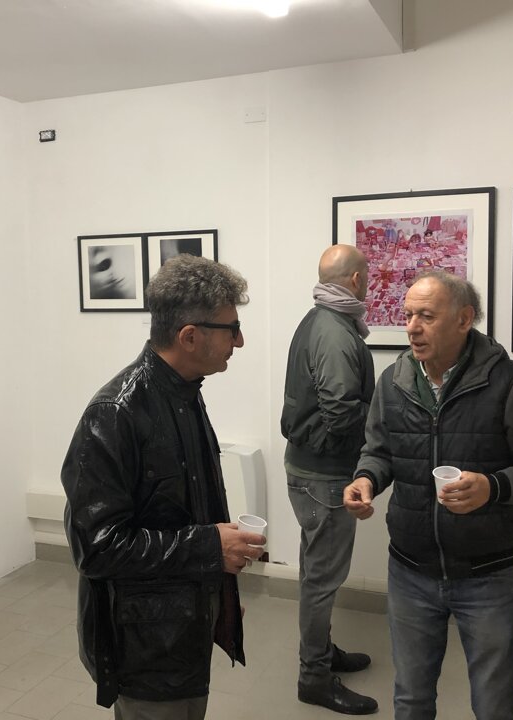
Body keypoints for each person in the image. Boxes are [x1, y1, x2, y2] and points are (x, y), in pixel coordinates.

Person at [343, 270, 513, 720]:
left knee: (494, 703)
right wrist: (366, 479)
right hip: (410, 570)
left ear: (464, 319)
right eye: (408, 315)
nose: (412, 327)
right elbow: (379, 451)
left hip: (489, 575)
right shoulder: (393, 381)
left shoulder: (510, 382)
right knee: (411, 699)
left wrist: (493, 487)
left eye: (426, 316)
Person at [62, 255, 263, 720]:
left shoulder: (185, 394)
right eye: (232, 329)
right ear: (190, 336)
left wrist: (218, 592)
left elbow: (185, 512)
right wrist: (210, 548)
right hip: (146, 648)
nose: (239, 341)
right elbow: (97, 548)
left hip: (184, 628)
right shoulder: (115, 414)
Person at [281, 244, 378, 715]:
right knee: (322, 580)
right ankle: (314, 677)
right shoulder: (336, 331)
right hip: (324, 476)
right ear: (356, 280)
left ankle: (321, 651)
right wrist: (385, 420)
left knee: (315, 573)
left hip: (310, 468)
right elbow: (341, 413)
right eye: (368, 276)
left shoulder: (319, 318)